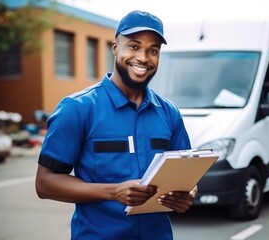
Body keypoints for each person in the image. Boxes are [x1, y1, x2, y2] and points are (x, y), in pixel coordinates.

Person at [35, 10, 196, 240]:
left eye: (153, 50)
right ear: (115, 48)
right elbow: (45, 183)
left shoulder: (169, 112)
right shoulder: (78, 108)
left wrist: (188, 193)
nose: (143, 57)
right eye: (134, 46)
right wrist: (113, 191)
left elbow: (188, 176)